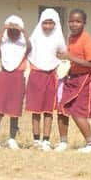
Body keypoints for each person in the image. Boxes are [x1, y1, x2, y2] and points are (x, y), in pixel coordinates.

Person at [55, 9, 91, 153]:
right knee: (62, 108)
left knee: (76, 111)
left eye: (78, 21)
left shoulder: (86, 39)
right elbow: (71, 57)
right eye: (71, 21)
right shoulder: (71, 38)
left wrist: (69, 57)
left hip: (86, 78)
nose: (74, 24)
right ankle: (63, 142)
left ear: (84, 23)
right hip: (73, 77)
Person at [25, 8, 64, 150]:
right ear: (40, 23)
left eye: (50, 23)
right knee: (36, 110)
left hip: (51, 76)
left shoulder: (59, 38)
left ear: (55, 24)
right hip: (36, 75)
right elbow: (28, 52)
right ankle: (36, 140)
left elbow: (62, 55)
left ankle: (46, 140)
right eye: (45, 23)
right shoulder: (34, 38)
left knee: (48, 110)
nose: (47, 26)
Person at [0, 16, 29, 150]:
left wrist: (23, 31)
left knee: (15, 108)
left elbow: (29, 48)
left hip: (18, 77)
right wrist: (4, 28)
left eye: (15, 30)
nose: (13, 32)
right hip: (4, 76)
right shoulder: (4, 44)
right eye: (10, 30)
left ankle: (12, 139)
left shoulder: (22, 45)